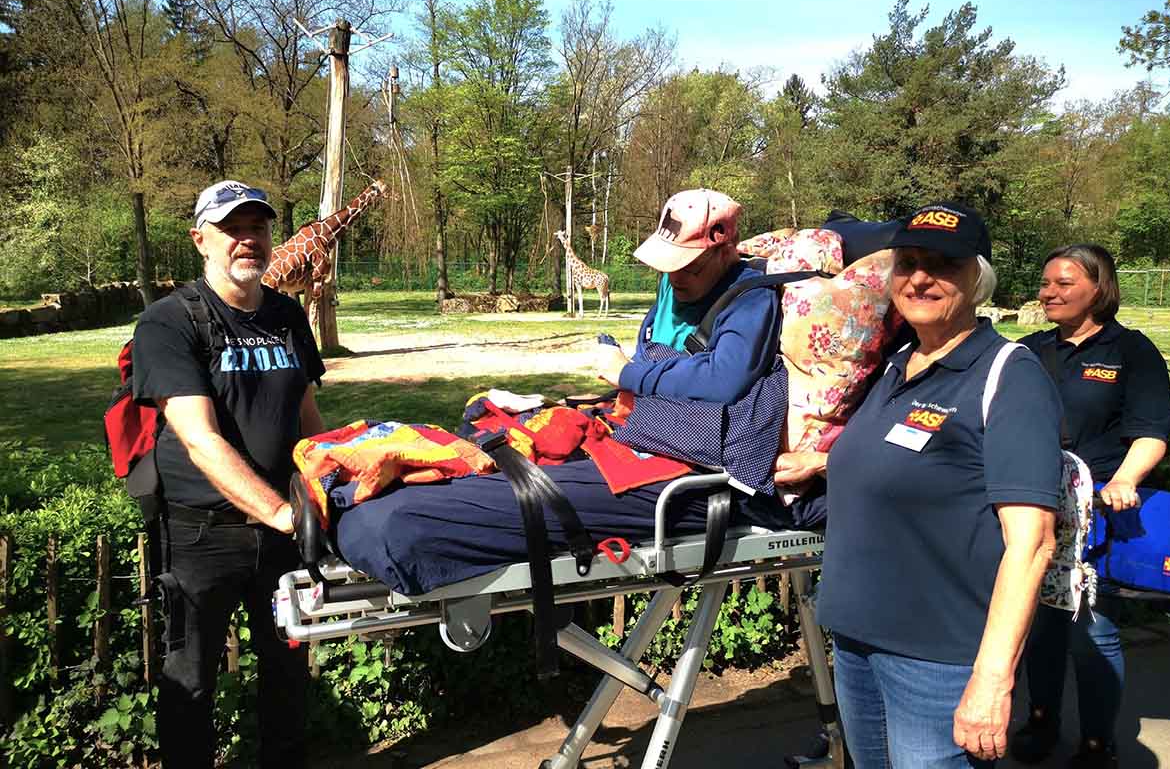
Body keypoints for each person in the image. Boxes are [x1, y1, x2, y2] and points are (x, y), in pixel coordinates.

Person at [333, 188, 792, 598]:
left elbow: (723, 381)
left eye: (686, 265)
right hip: (640, 432)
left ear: (723, 247)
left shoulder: (750, 298)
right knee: (491, 432)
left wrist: (628, 375)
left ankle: (400, 524)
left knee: (415, 517)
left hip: (689, 457)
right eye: (668, 265)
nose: (674, 278)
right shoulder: (678, 289)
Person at [804, 202, 1064, 768]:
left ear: (977, 279)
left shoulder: (1008, 376)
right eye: (908, 262)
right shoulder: (898, 362)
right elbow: (912, 464)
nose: (920, 277)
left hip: (940, 663)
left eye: (943, 264)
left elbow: (1033, 542)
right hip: (855, 641)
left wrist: (993, 680)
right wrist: (822, 464)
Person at [133, 181, 326, 768]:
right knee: (190, 679)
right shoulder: (169, 322)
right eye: (231, 229)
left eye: (259, 227)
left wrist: (337, 482)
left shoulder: (288, 315)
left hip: (285, 531)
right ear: (201, 240)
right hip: (202, 534)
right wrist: (282, 513)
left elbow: (309, 419)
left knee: (288, 668)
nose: (248, 239)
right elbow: (200, 438)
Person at [1010, 244, 1170, 768]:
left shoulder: (1131, 351)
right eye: (1045, 283)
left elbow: (1150, 431)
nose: (1048, 293)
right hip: (1035, 506)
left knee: (1091, 631)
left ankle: (1099, 742)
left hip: (1096, 510)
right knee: (1038, 625)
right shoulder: (1030, 350)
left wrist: (1124, 479)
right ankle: (1041, 720)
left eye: (1063, 283)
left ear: (1098, 289)